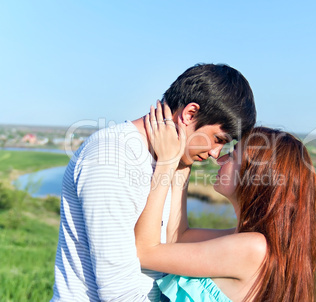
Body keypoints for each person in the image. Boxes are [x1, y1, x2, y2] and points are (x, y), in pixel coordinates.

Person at [51, 64, 256, 301]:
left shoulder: (171, 160)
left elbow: (174, 241)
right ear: (189, 114)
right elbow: (117, 291)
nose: (215, 153)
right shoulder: (113, 156)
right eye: (217, 139)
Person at [135, 105, 316, 302]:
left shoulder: (253, 248)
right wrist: (183, 165)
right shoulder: (247, 238)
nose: (220, 159)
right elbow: (179, 238)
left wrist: (166, 164)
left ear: (254, 176)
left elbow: (144, 252)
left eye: (232, 155)